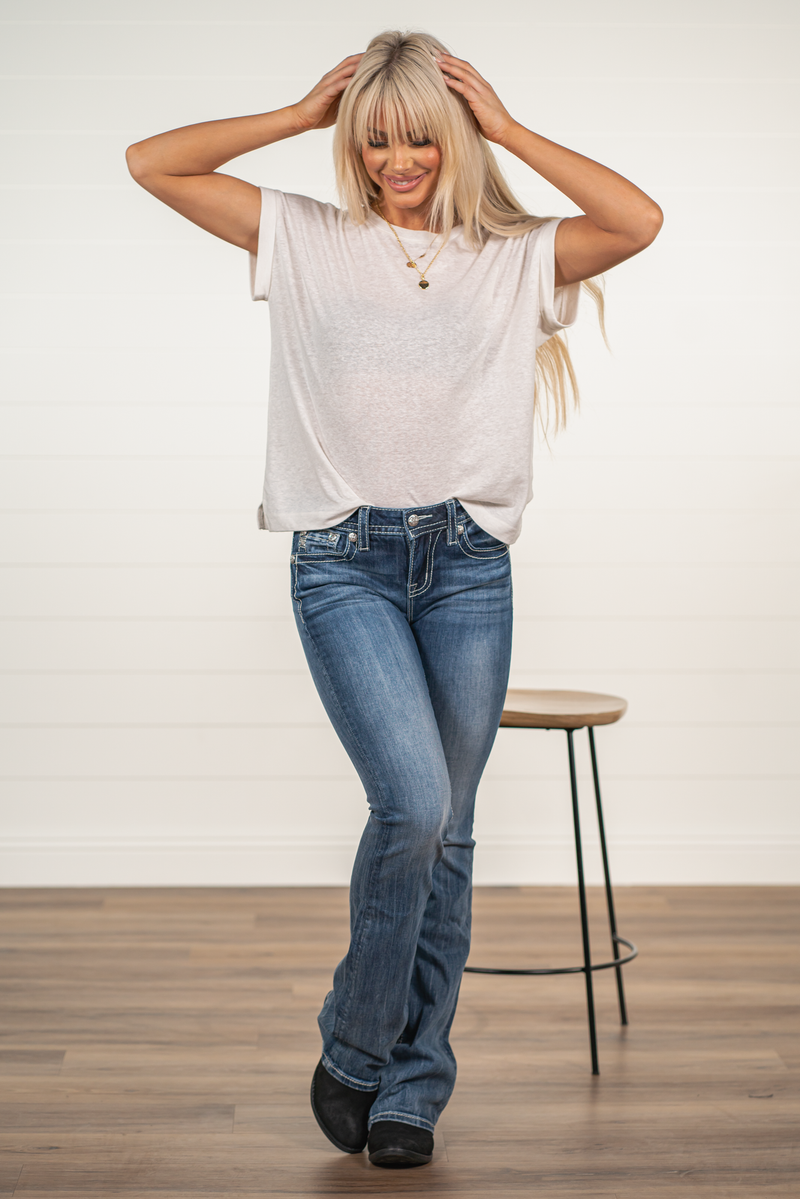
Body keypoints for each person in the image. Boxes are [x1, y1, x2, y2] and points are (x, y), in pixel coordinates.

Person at [126, 29, 662, 1169]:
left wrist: (506, 127)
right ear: (352, 144)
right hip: (343, 561)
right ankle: (357, 1043)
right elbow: (151, 161)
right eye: (376, 139)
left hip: (467, 565)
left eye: (420, 136)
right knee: (413, 804)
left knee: (450, 832)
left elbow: (636, 219)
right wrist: (294, 114)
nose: (399, 160)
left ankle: (413, 1090)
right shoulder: (305, 238)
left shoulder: (512, 257)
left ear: (453, 136)